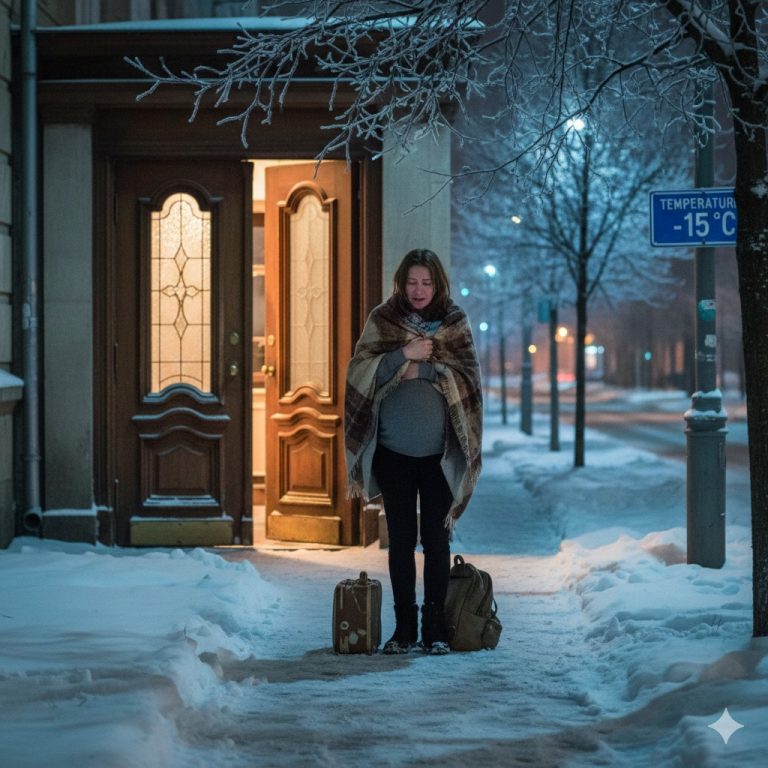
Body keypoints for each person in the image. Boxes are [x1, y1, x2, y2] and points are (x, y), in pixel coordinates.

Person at [344, 249, 483, 655]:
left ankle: (435, 629)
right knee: (401, 542)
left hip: (440, 454)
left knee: (437, 543)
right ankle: (404, 629)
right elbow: (359, 370)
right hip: (393, 452)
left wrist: (423, 368)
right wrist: (401, 355)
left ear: (438, 284)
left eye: (426, 282)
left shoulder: (455, 324)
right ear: (400, 284)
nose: (419, 290)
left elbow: (467, 376)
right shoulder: (382, 320)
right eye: (411, 282)